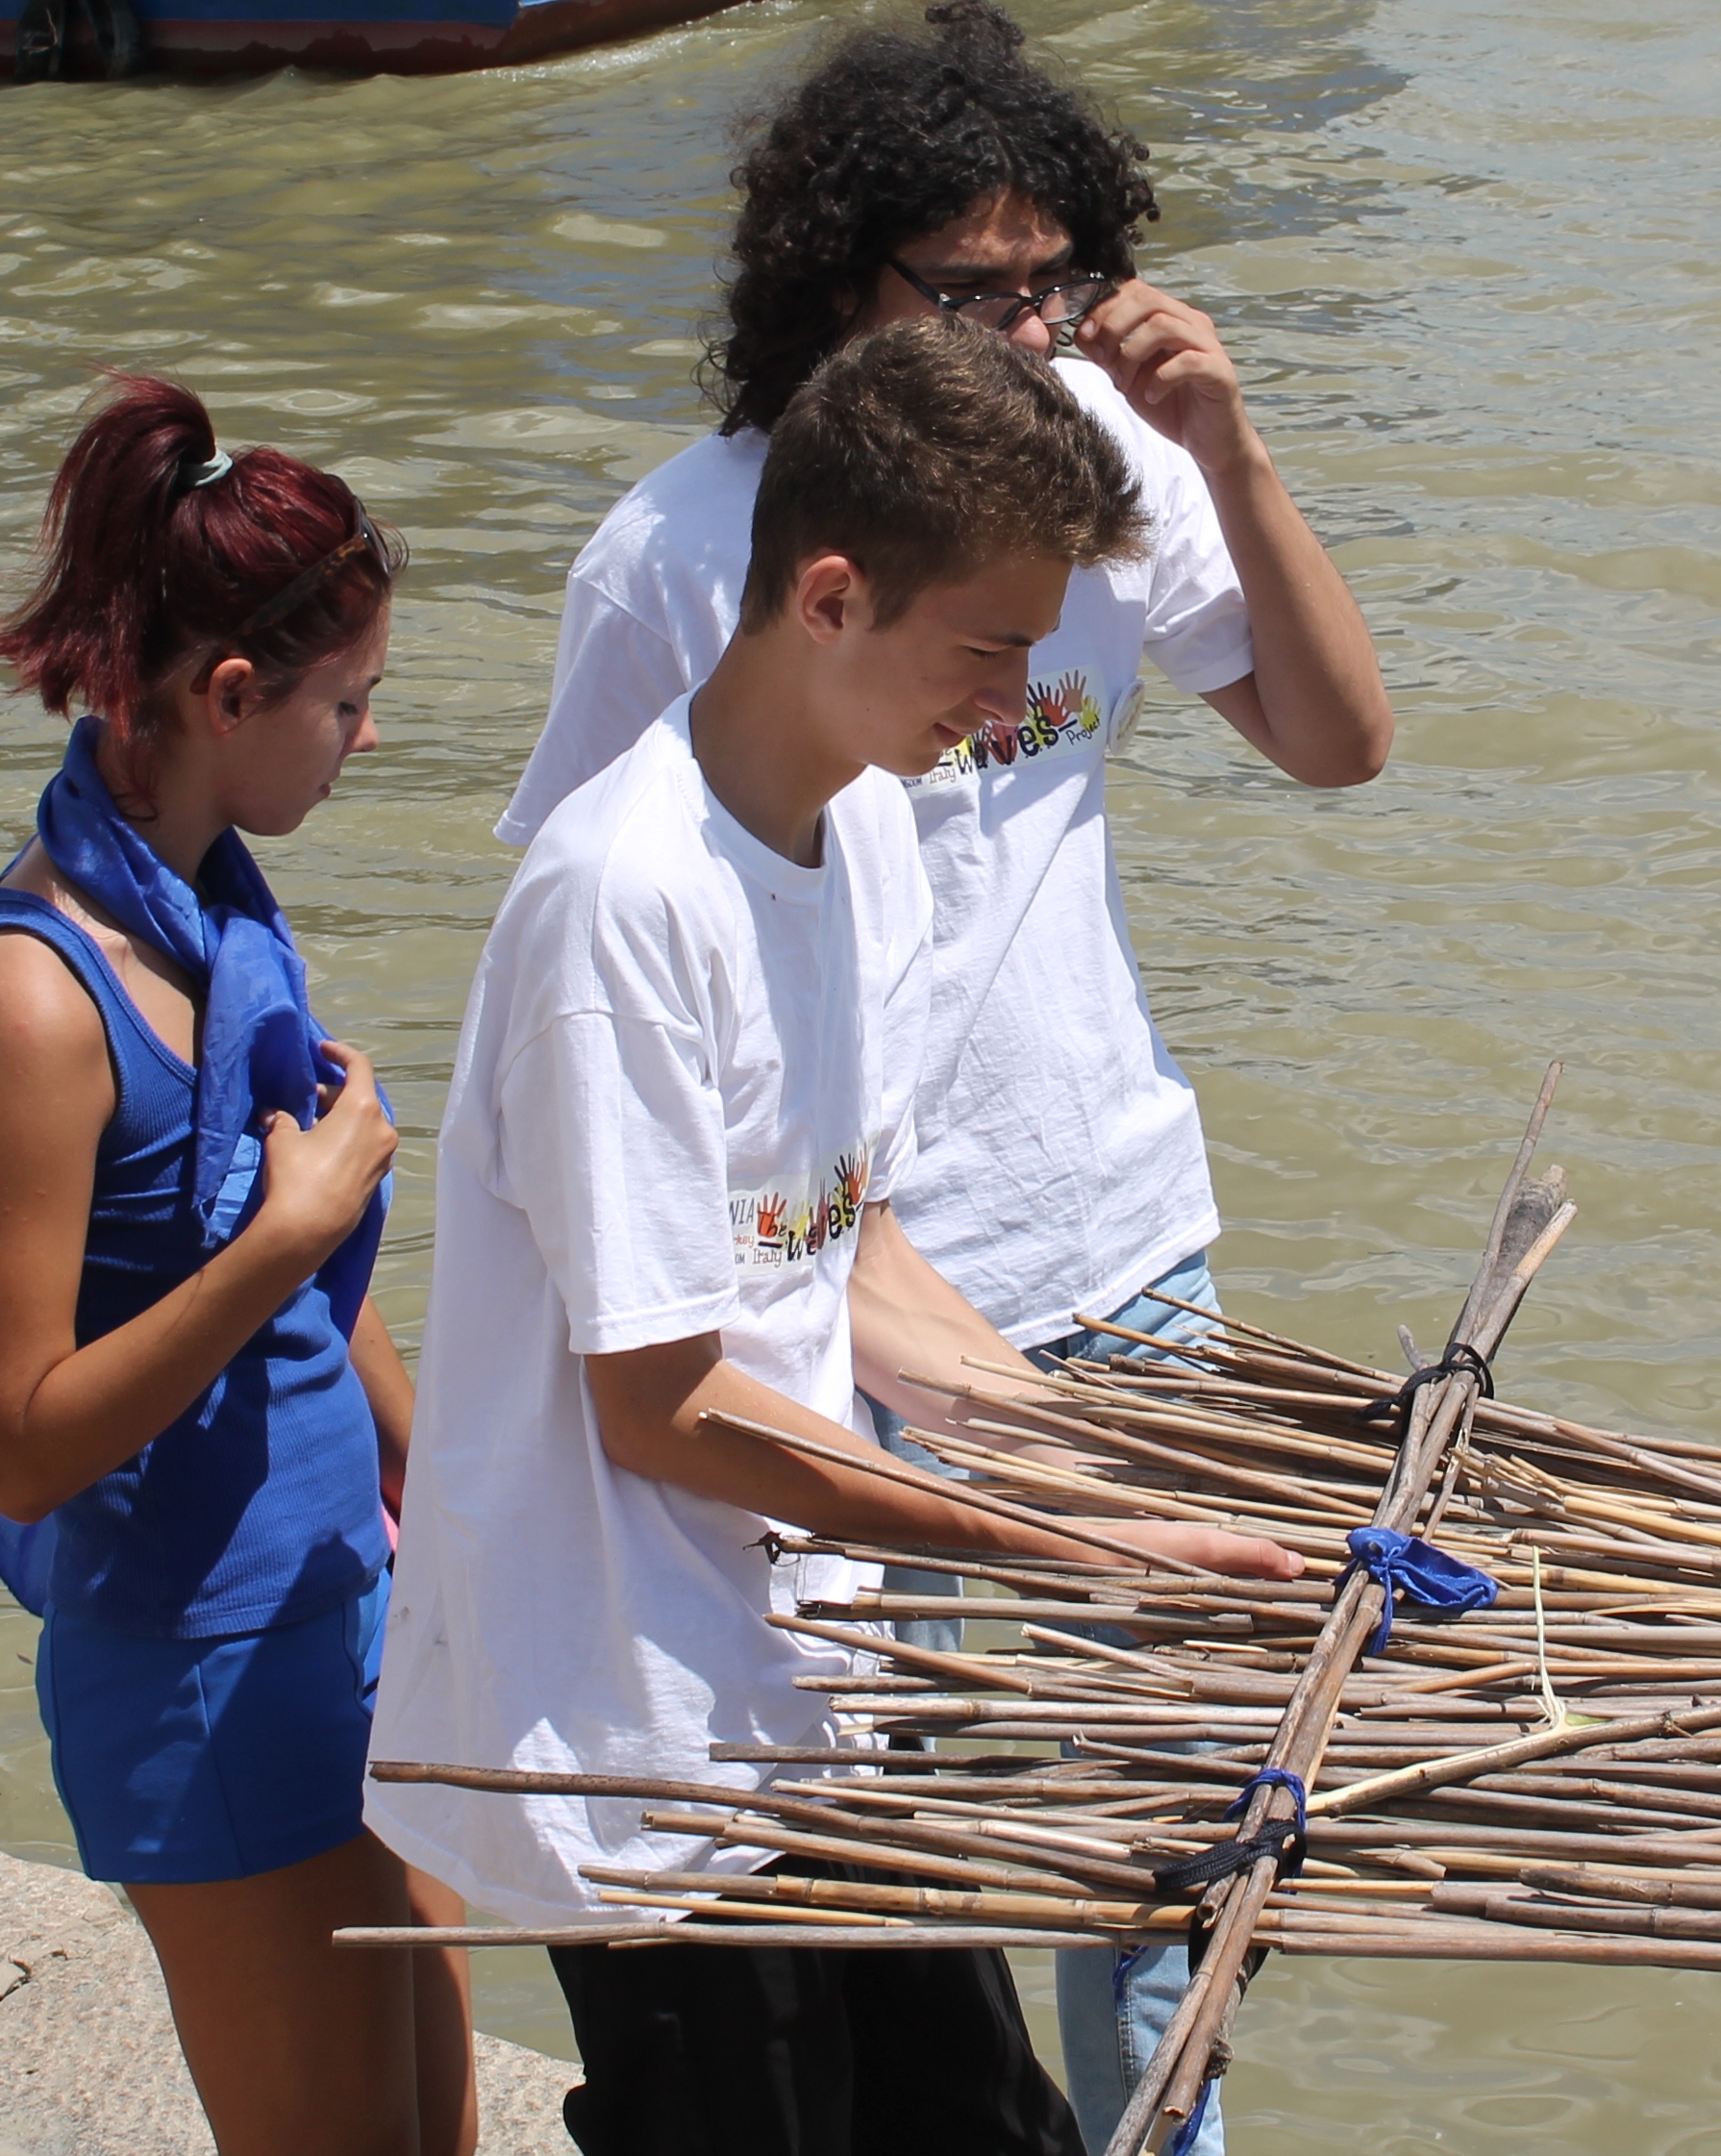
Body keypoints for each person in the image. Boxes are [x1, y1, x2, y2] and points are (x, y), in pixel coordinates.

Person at [492, 0, 1389, 2144]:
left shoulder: (1110, 491)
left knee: (1175, 1850)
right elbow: (607, 972)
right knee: (919, 1868)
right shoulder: (682, 555)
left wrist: (1231, 446)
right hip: (843, 1301)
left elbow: (1342, 739)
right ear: (834, 286)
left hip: (1105, 1241)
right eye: (963, 286)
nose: (1022, 326)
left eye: (1050, 280)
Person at [371, 321, 1305, 2156]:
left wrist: (1110, 1463)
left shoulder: (863, 830)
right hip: (630, 1721)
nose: (1019, 690)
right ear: (824, 595)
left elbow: (852, 1260)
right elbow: (662, 1402)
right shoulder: (622, 906)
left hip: (806, 1681)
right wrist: (1049, 1535)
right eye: (989, 645)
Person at [0, 376, 474, 2156]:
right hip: (206, 1652)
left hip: (348, 1580)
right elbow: (20, 1438)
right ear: (231, 698)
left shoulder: (219, 896)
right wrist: (290, 1227)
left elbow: (316, 1298)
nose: (363, 742)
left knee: (441, 2134)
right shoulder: (31, 994)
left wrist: (445, 1485)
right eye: (348, 704)